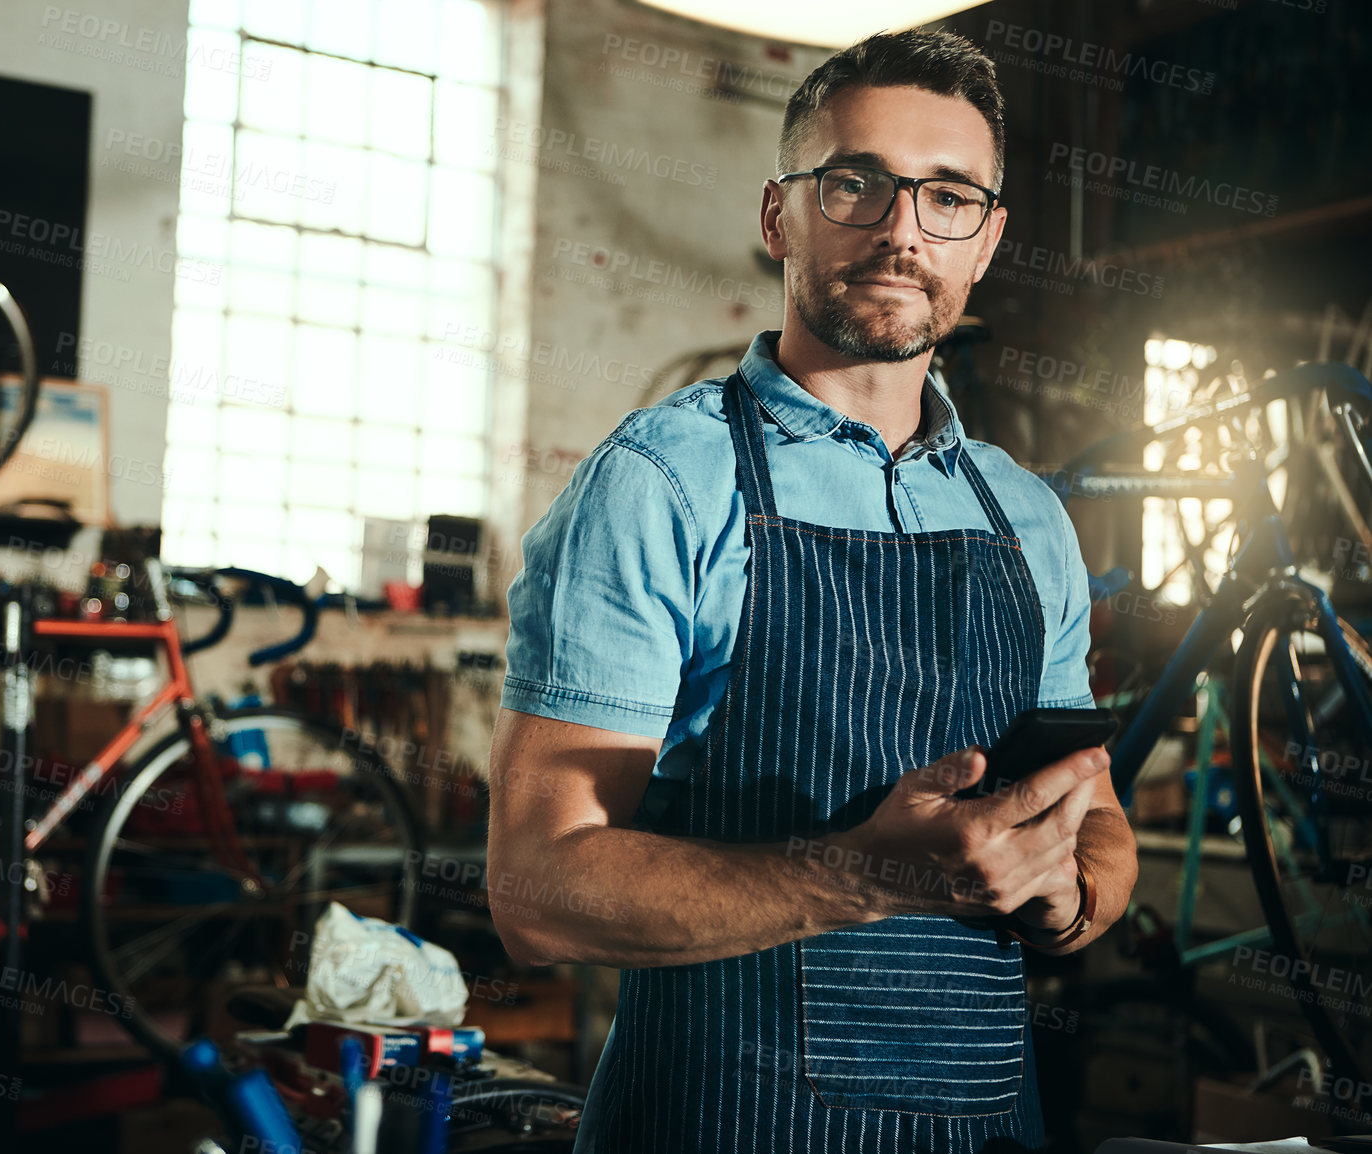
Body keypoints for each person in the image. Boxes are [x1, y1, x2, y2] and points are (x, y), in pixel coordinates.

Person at [486, 28, 1138, 1153]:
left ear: (985, 241)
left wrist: (1066, 896)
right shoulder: (662, 484)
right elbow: (537, 888)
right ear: (778, 214)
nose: (899, 230)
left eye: (946, 197)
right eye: (856, 183)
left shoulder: (1025, 515)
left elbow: (1096, 822)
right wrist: (867, 873)